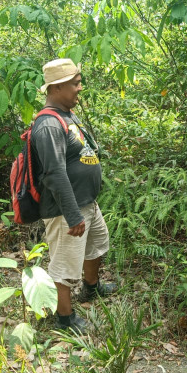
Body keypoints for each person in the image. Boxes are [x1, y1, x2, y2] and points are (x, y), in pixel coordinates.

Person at [32, 58, 116, 335]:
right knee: (65, 265)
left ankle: (91, 288)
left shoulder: (66, 116)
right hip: (66, 211)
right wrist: (72, 215)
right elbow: (54, 173)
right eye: (75, 84)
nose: (80, 88)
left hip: (86, 203)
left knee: (98, 245)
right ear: (57, 87)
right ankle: (65, 319)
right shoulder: (48, 125)